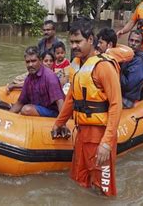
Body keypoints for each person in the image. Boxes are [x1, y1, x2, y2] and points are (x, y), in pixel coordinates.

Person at [51, 18, 122, 196]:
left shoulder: (103, 66)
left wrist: (106, 143)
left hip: (100, 134)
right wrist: (59, 123)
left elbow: (116, 105)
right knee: (78, 181)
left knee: (103, 188)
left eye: (78, 41)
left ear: (90, 40)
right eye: (72, 42)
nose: (74, 46)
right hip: (82, 133)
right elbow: (71, 99)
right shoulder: (75, 65)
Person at [9, 46, 65, 117]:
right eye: (27, 62)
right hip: (39, 108)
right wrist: (8, 116)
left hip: (53, 112)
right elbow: (20, 102)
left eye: (33, 61)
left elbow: (60, 102)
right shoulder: (28, 79)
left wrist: (61, 123)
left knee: (26, 109)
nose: (30, 65)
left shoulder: (50, 77)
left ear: (40, 61)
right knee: (24, 108)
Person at [120, 30, 143, 108]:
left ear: (141, 45)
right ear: (128, 41)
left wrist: (116, 71)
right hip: (120, 95)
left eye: (137, 42)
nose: (133, 44)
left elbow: (128, 86)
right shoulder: (127, 56)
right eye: (131, 40)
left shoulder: (139, 62)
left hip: (126, 100)